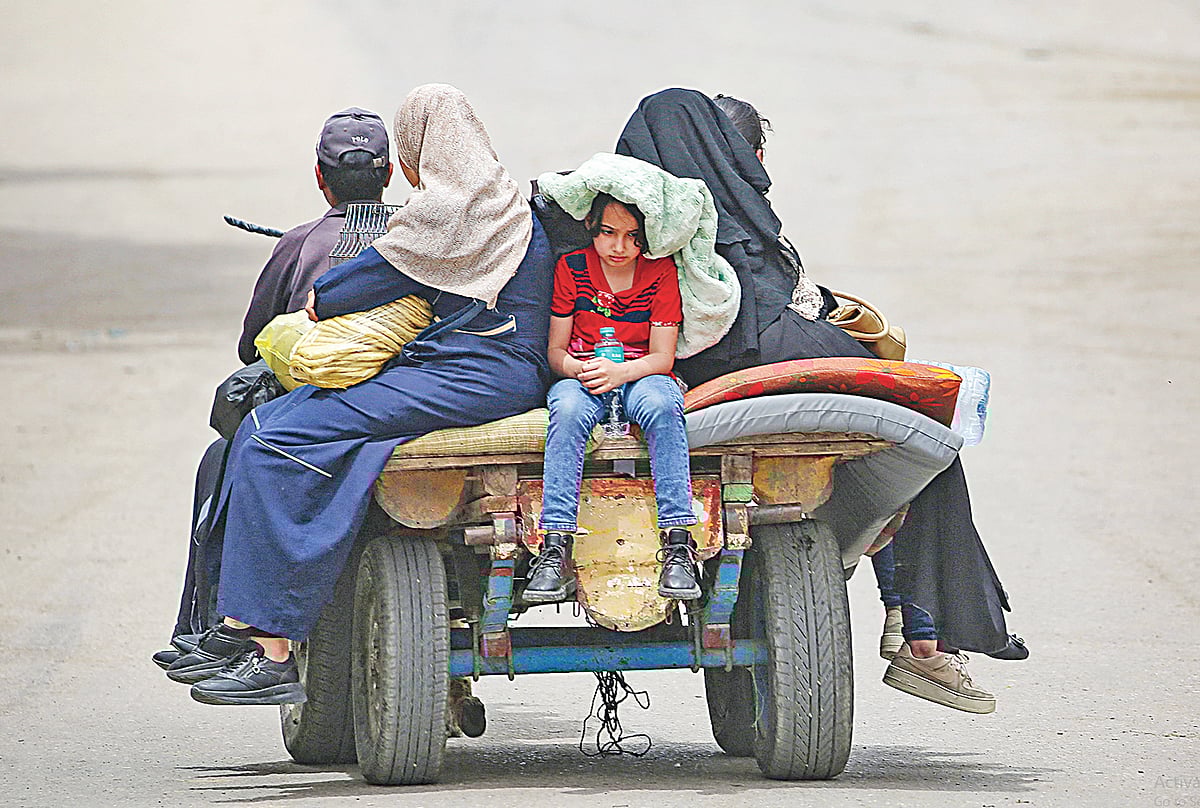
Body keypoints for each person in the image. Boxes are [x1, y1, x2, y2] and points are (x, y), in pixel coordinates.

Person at [617, 88, 1024, 714]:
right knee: (923, 436)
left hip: (648, 395)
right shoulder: (740, 227)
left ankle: (914, 629)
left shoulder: (613, 220)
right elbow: (771, 318)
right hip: (753, 378)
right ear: (740, 156)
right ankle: (918, 634)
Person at [164, 84, 556, 706]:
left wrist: (332, 301)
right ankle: (247, 627)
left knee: (270, 434)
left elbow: (338, 293)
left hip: (466, 377)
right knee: (315, 431)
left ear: (420, 150)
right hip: (480, 373)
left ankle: (268, 648)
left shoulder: (446, 213)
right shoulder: (510, 206)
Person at [152, 107, 394, 669]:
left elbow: (252, 346)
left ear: (319, 176)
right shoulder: (421, 237)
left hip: (320, 413)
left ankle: (213, 626)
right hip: (405, 399)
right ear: (389, 175)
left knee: (227, 453)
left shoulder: (301, 242)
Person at [524, 194, 701, 603]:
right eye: (608, 233)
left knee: (661, 406)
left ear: (646, 239)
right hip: (584, 374)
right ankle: (556, 547)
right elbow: (556, 352)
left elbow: (662, 356)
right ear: (592, 229)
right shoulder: (572, 269)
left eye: (631, 236)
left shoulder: (660, 273)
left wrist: (621, 373)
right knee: (566, 411)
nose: (618, 247)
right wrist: (578, 370)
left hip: (642, 373)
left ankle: (678, 544)